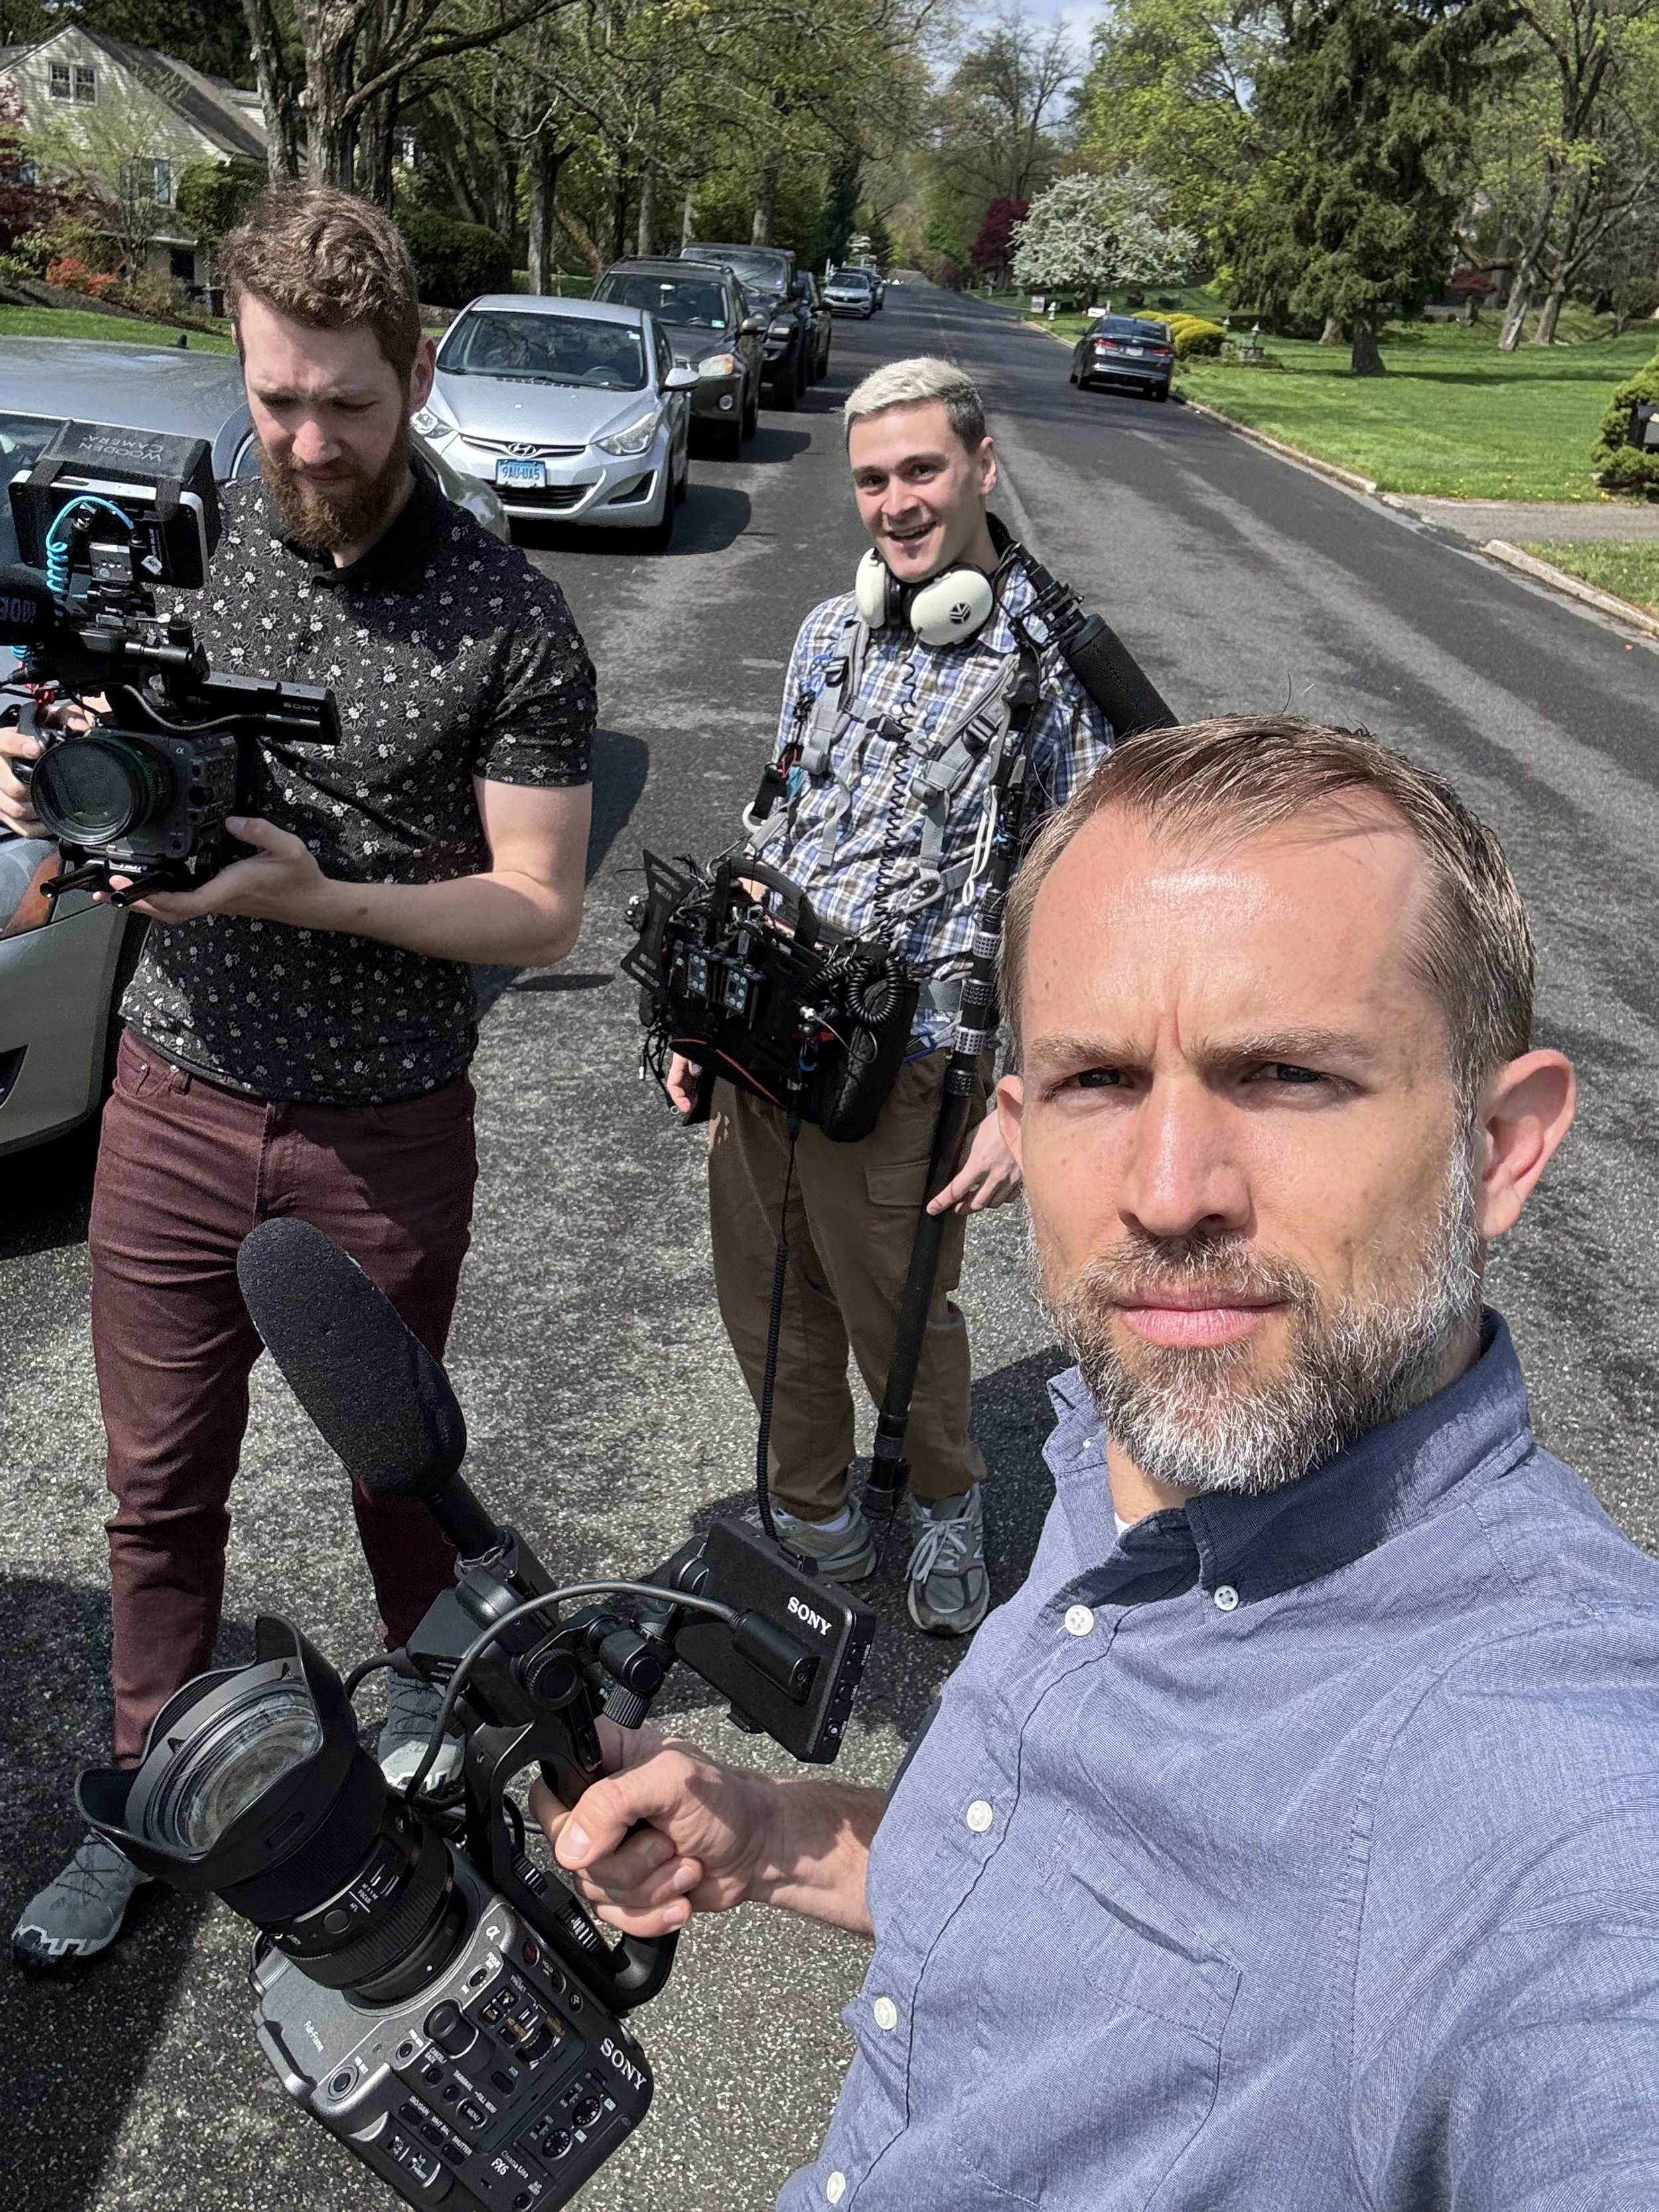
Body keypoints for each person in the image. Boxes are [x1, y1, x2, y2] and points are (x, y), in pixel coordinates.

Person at [535, 718, 1659, 2208]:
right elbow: (1063, 1894)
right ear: (1015, 1130)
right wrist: (769, 1835)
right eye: (1097, 1082)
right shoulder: (1126, 1448)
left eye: (1285, 1073)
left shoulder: (1551, 1781)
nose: (1166, 1191)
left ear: (1501, 1146)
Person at [7, 188, 595, 1968]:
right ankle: (144, 1799)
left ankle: (446, 1808)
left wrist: (321, 891)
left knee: (403, 1484)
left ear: (416, 372)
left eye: (345, 402)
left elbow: (542, 905)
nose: (309, 441)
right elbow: (85, 735)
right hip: (173, 1097)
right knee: (156, 1489)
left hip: (383, 1128)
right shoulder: (169, 550)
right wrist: (51, 783)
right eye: (276, 400)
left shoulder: (511, 618)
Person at [667, 356, 1110, 1635]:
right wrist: (696, 1020)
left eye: (923, 470)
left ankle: (947, 1509)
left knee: (896, 1325)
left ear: (982, 466)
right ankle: (817, 1520)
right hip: (770, 1040)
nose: (898, 502)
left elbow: (1082, 910)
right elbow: (774, 829)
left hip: (912, 1063)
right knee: (767, 1294)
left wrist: (1031, 1093)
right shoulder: (827, 633)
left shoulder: (1047, 674)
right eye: (873, 478)